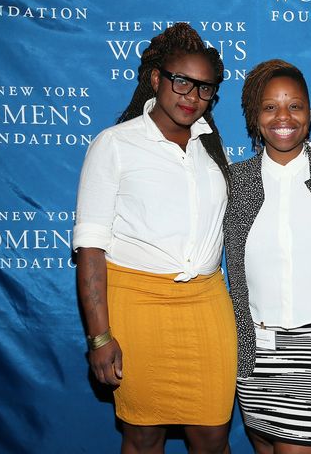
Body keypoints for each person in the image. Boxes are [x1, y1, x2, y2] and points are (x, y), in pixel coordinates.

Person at [73, 23, 236, 454]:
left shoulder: (211, 150)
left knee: (214, 436)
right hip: (137, 307)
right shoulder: (114, 144)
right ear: (156, 79)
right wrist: (100, 337)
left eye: (205, 89)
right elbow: (90, 246)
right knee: (143, 435)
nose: (192, 97)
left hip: (206, 305)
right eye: (182, 81)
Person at [223, 59, 311, 454]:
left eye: (295, 106)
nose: (283, 116)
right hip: (254, 351)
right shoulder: (235, 181)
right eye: (270, 107)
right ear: (255, 117)